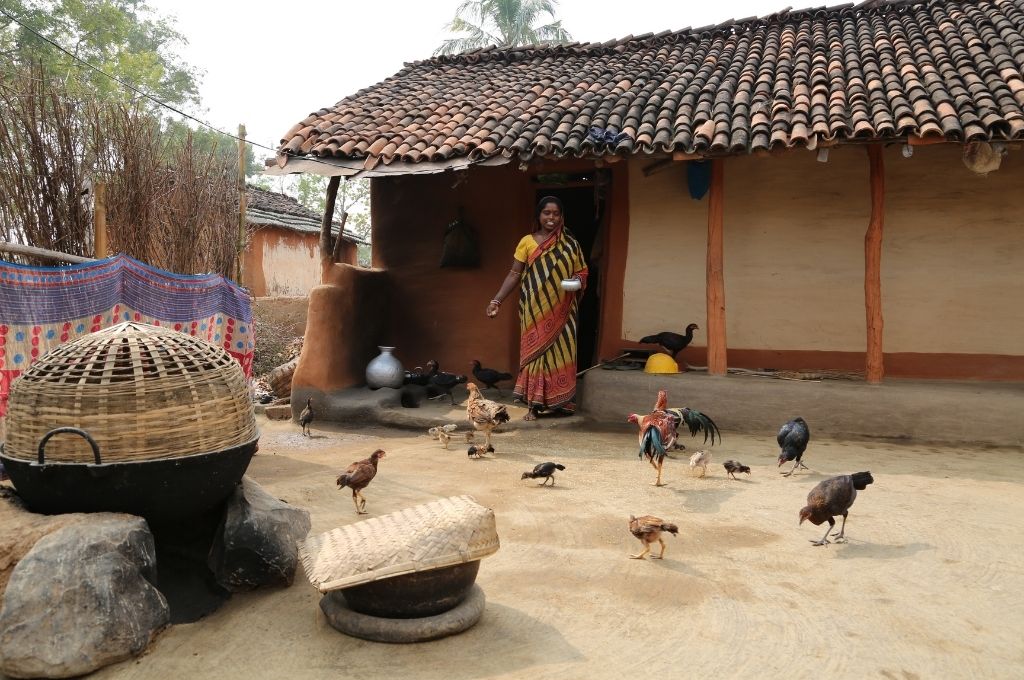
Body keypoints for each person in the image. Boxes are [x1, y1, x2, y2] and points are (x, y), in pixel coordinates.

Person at [485, 196, 588, 420]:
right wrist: (497, 300)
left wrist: (578, 280)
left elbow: (582, 271)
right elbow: (515, 274)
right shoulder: (527, 242)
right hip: (534, 309)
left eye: (556, 213)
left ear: (562, 216)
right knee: (535, 354)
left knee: (562, 354)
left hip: (564, 309)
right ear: (539, 215)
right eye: (547, 213)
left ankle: (562, 403)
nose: (551, 218)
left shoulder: (570, 243)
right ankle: (533, 405)